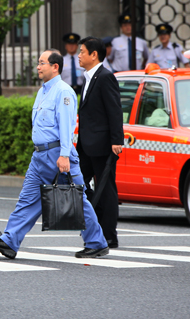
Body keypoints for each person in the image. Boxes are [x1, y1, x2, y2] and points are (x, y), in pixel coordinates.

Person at [0, 49, 109, 260]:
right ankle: (9, 241)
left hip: (57, 154)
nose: (38, 67)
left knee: (76, 199)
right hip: (40, 156)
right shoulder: (43, 91)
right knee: (27, 199)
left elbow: (67, 127)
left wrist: (64, 155)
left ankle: (96, 242)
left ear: (55, 67)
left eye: (42, 63)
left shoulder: (64, 92)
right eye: (38, 62)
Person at [77, 36, 124, 248]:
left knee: (106, 188)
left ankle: (110, 235)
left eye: (82, 52)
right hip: (86, 144)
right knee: (78, 183)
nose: (78, 55)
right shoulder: (87, 78)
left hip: (102, 143)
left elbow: (114, 110)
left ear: (94, 55)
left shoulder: (105, 77)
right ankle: (96, 219)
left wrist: (117, 140)